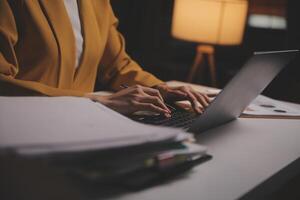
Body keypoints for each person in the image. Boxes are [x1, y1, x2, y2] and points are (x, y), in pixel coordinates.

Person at [0, 0, 211, 116]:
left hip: (87, 125)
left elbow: (117, 66)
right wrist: (97, 101)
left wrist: (161, 88)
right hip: (26, 128)